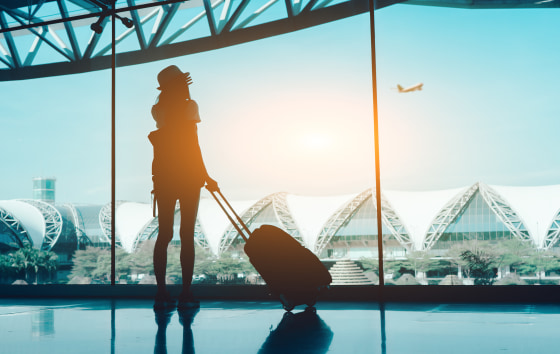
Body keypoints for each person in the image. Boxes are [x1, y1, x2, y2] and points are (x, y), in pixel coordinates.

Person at [148, 65, 218, 310]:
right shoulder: (190, 106)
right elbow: (192, 144)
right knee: (186, 235)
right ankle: (186, 291)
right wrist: (206, 176)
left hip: (164, 176)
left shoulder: (158, 110)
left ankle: (161, 292)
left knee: (164, 235)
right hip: (188, 176)